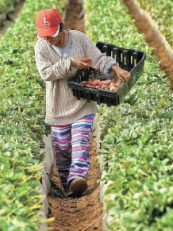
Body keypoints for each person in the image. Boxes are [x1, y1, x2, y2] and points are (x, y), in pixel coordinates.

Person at [34, 8, 131, 197]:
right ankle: (66, 184)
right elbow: (46, 73)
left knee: (80, 142)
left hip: (82, 104)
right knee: (62, 151)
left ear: (61, 27)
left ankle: (77, 178)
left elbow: (98, 58)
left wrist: (115, 69)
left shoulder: (78, 39)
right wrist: (70, 63)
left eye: (51, 35)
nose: (48, 39)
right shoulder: (41, 47)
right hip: (58, 107)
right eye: (44, 35)